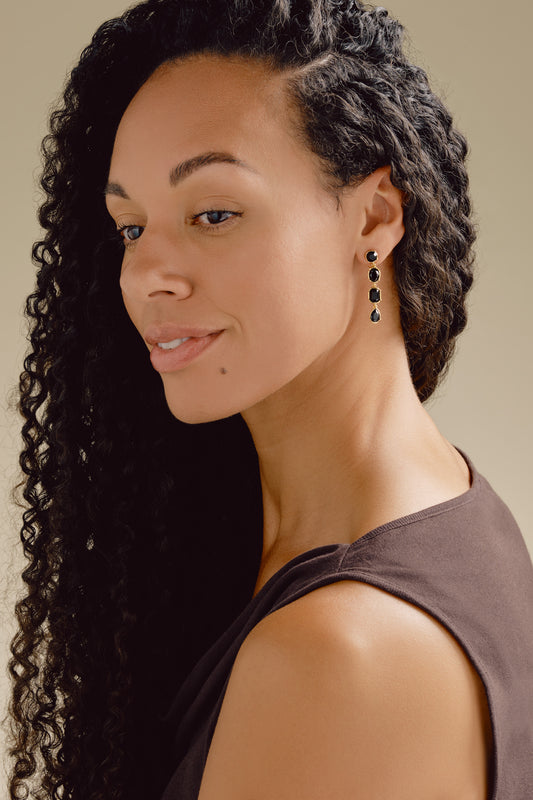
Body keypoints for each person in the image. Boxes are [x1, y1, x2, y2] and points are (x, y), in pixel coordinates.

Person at [7, 0, 533, 798]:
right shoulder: (445, 510)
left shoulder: (338, 652)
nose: (148, 274)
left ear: (375, 215)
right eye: (131, 227)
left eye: (214, 213)